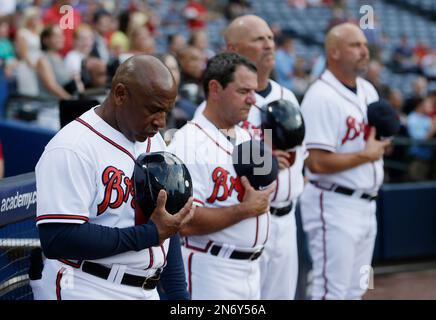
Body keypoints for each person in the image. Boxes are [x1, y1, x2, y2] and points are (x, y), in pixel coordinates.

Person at [34, 55, 195, 300]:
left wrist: (178, 295)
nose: (161, 122)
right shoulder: (71, 147)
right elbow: (58, 237)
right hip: (87, 285)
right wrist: (149, 234)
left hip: (146, 288)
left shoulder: (152, 139)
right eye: (153, 109)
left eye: (165, 112)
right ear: (121, 94)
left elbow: (166, 228)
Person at [168, 52, 276, 300]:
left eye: (254, 91)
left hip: (251, 269)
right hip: (210, 267)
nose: (252, 99)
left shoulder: (246, 136)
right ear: (215, 89)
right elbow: (184, 221)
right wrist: (245, 210)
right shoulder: (187, 143)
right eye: (243, 91)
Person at [299, 22, 391, 300]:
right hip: (334, 204)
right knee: (331, 291)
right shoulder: (320, 96)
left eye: (364, 45)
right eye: (355, 45)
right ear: (334, 52)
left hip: (366, 204)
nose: (364, 51)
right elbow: (315, 163)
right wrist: (366, 155)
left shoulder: (367, 89)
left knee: (356, 290)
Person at [224, 15, 306, 300]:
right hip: (245, 220)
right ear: (233, 49)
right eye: (259, 39)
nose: (269, 44)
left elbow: (300, 159)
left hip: (286, 217)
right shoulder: (224, 102)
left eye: (270, 38)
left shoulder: (288, 96)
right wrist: (264, 158)